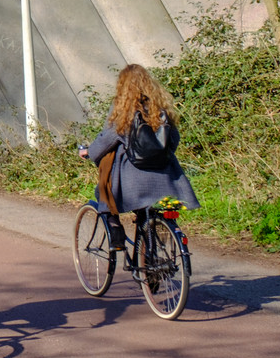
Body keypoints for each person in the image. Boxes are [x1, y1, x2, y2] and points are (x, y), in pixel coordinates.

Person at [79, 64, 200, 246]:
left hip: (133, 183)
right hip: (166, 179)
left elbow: (107, 139)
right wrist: (158, 156)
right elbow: (173, 139)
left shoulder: (123, 110)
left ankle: (115, 231)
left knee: (105, 191)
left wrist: (90, 152)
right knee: (155, 212)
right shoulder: (160, 108)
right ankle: (156, 257)